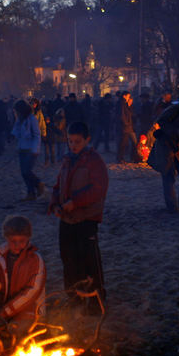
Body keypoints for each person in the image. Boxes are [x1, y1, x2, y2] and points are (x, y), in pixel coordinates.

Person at [48, 121, 109, 313]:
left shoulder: (94, 161)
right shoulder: (67, 160)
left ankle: (96, 298)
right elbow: (59, 185)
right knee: (69, 259)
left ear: (87, 140)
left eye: (77, 142)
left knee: (89, 259)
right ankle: (74, 296)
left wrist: (76, 202)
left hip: (86, 218)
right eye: (70, 141)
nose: (73, 145)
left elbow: (98, 190)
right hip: (66, 218)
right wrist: (55, 203)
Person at [0, 215, 46, 336]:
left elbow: (32, 291)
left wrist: (3, 314)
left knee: (13, 331)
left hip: (29, 310)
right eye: (13, 241)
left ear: (28, 238)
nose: (17, 245)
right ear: (6, 238)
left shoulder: (35, 260)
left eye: (21, 241)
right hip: (2, 309)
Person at [12, 99, 44, 201]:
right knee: (23, 172)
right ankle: (31, 193)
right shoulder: (20, 120)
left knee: (27, 171)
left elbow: (37, 135)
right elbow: (16, 132)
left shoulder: (32, 119)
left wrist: (35, 149)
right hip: (22, 148)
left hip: (31, 149)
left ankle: (38, 184)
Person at [117, 91, 138, 163]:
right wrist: (125, 123)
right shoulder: (121, 103)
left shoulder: (126, 104)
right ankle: (120, 158)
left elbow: (130, 114)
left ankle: (133, 157)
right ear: (124, 96)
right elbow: (122, 115)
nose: (129, 97)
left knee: (134, 142)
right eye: (128, 96)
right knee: (123, 143)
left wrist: (129, 106)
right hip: (125, 127)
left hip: (129, 126)